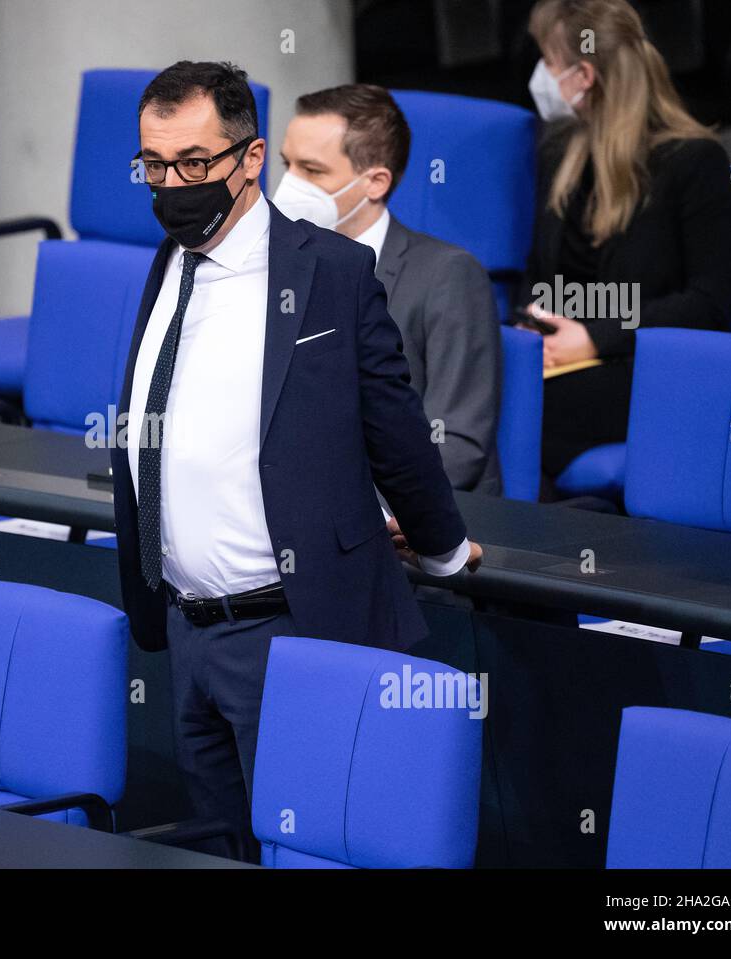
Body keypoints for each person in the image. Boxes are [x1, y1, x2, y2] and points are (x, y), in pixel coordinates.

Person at [111, 61, 482, 861]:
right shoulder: (167, 261)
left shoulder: (330, 273)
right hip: (185, 630)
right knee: (218, 849)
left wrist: (444, 546)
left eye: (194, 163)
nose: (172, 184)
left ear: (249, 160)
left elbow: (394, 430)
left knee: (309, 847)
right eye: (154, 164)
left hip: (290, 628)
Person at [520, 0, 731, 487]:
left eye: (549, 61)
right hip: (564, 359)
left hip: (647, 365)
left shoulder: (693, 161)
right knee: (470, 384)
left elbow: (708, 304)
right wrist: (534, 327)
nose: (540, 74)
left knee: (520, 412)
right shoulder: (560, 151)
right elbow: (541, 275)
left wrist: (595, 337)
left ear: (584, 75)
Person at [273, 83, 503, 495]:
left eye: (312, 171)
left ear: (375, 183)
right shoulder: (276, 266)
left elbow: (456, 446)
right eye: (286, 164)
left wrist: (344, 515)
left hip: (403, 525)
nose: (289, 185)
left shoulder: (447, 275)